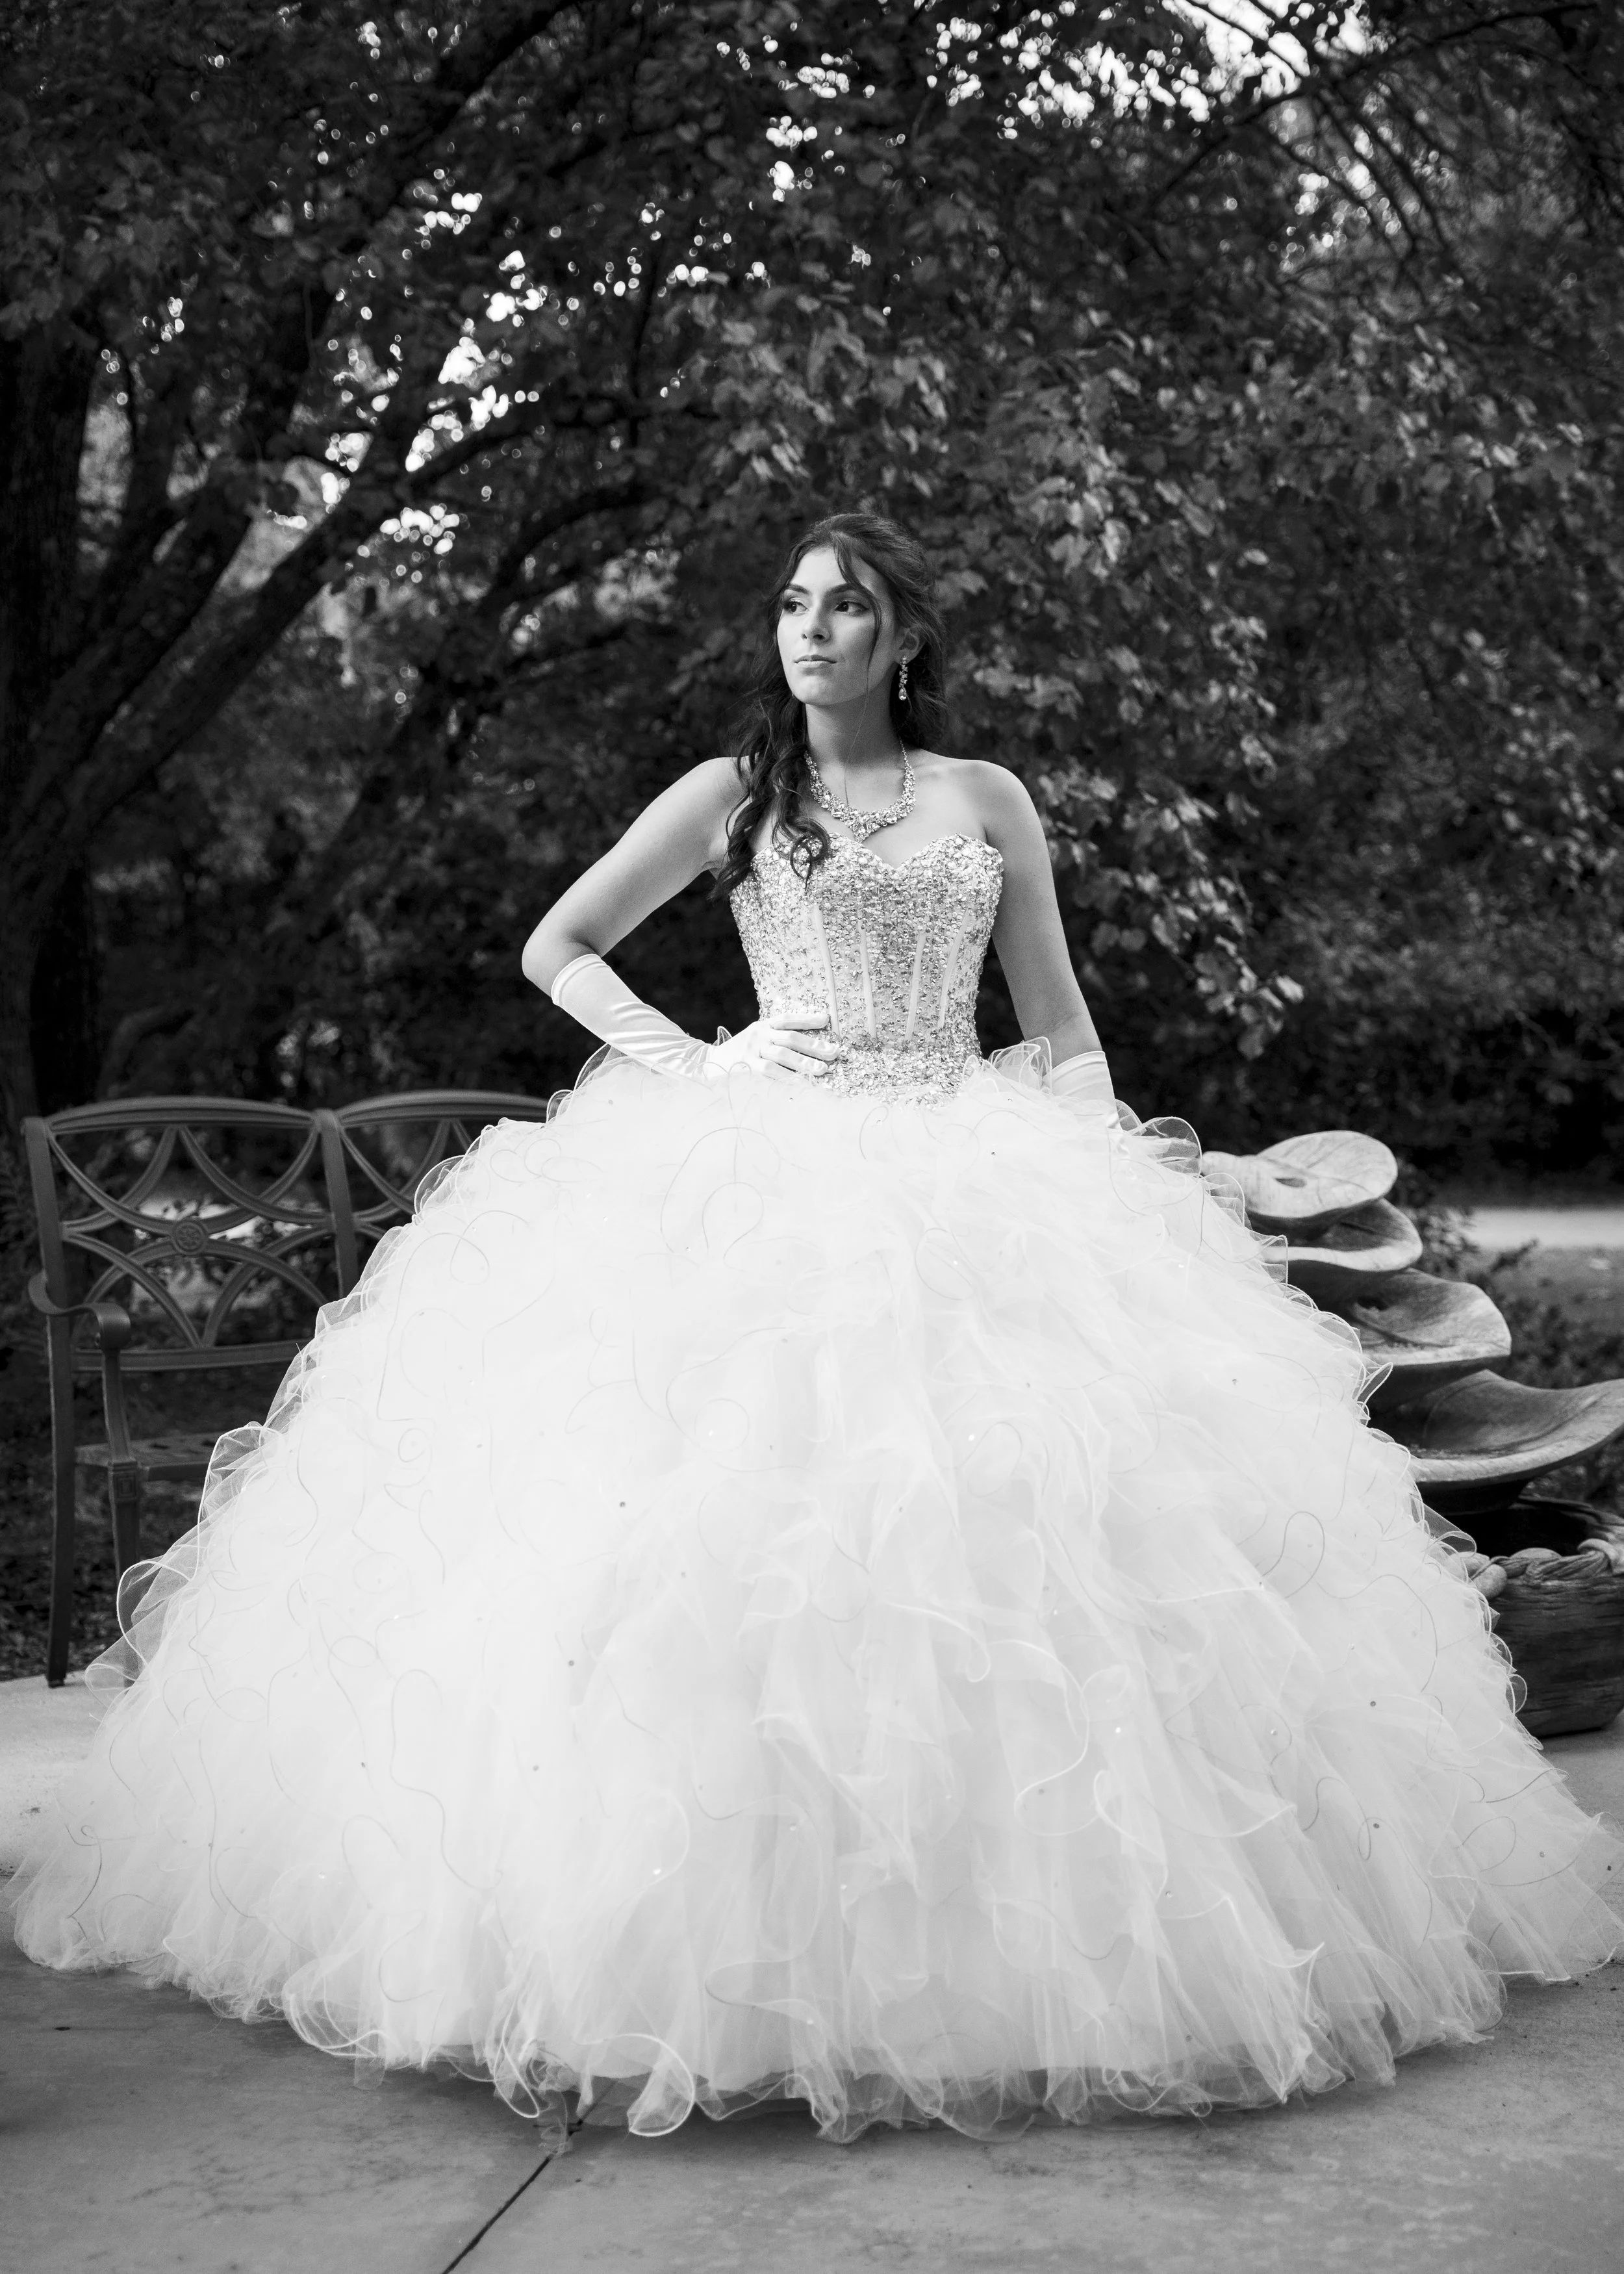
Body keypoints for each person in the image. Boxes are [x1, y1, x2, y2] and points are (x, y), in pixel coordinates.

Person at [14, 513, 1620, 2144]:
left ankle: (998, 1968)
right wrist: (697, 1061)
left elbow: (1055, 1023)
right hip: (761, 1168)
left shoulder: (983, 796)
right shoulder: (731, 793)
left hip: (971, 1170)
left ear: (902, 639)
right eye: (792, 602)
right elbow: (554, 944)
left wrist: (1120, 1178)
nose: (813, 628)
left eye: (847, 606)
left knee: (1015, 1560)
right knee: (720, 1554)